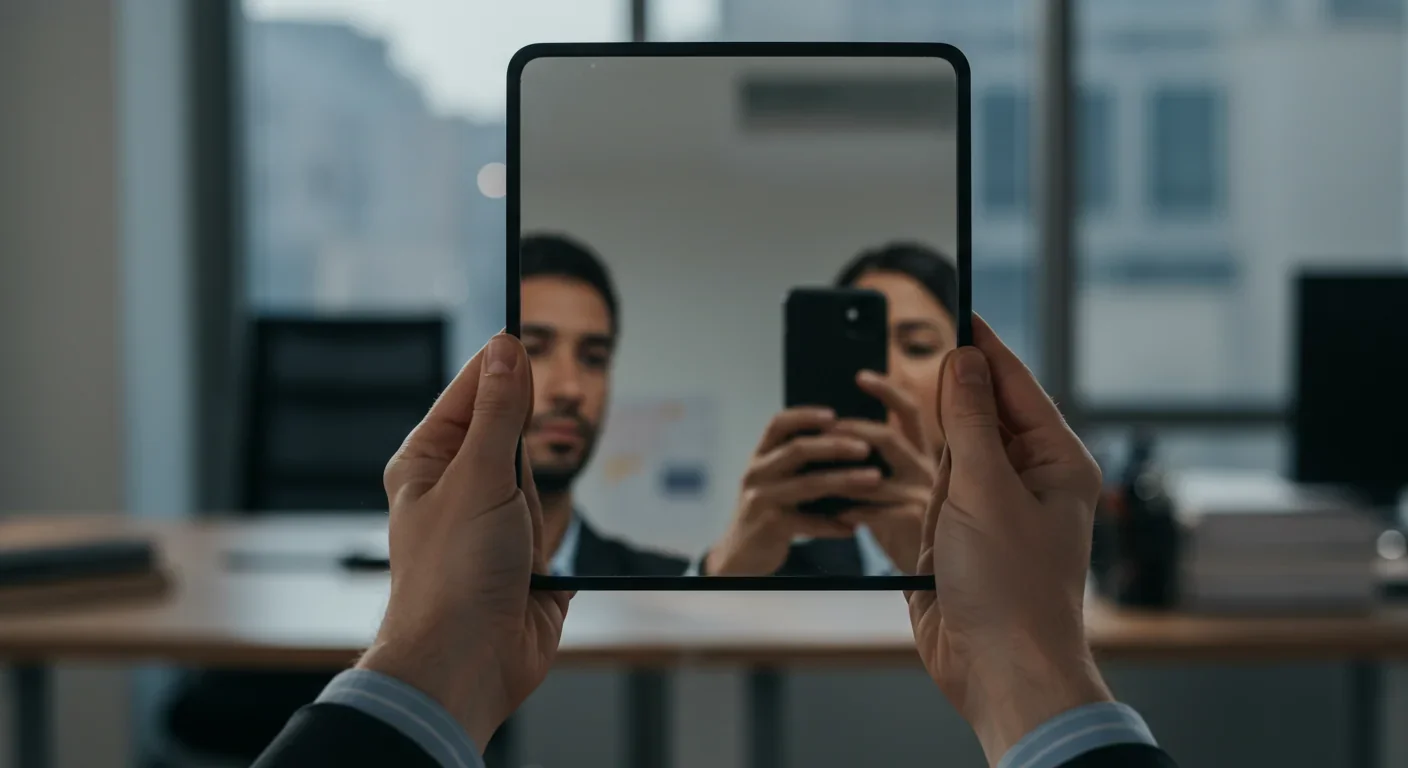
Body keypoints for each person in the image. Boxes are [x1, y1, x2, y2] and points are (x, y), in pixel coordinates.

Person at [252, 318, 1177, 768]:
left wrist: (433, 657)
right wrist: (1027, 662)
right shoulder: (756, 535)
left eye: (918, 346)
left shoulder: (944, 552)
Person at [701, 241, 958, 577]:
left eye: (917, 347)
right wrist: (722, 571)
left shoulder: (1014, 544)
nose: (884, 374)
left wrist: (949, 573)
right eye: (864, 350)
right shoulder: (775, 567)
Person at [517, 233, 690, 576]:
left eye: (593, 358)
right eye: (533, 349)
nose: (570, 389)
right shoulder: (415, 580)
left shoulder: (664, 587)